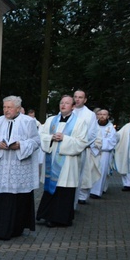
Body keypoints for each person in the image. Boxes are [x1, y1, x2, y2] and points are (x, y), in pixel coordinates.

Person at [0, 96, 41, 240]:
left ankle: (14, 229)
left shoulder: (28, 122)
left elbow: (36, 141)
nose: (6, 110)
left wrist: (20, 145)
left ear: (18, 108)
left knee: (15, 199)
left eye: (9, 107)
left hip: (18, 168)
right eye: (4, 107)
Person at [36, 95, 89, 227]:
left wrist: (65, 138)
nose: (63, 105)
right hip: (51, 159)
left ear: (73, 106)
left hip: (68, 164)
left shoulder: (79, 122)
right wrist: (51, 138)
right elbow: (40, 136)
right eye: (61, 103)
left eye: (67, 103)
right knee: (50, 189)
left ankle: (59, 218)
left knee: (63, 191)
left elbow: (82, 143)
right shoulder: (50, 120)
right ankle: (46, 215)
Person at [72, 90, 101, 205]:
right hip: (68, 148)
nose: (77, 99)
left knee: (83, 173)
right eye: (75, 97)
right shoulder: (68, 111)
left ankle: (82, 196)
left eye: (80, 97)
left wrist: (80, 143)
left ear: (85, 100)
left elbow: (93, 133)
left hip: (83, 148)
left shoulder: (90, 115)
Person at [89, 109, 118, 198]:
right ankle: (89, 189)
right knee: (91, 170)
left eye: (104, 114)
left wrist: (100, 144)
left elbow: (113, 141)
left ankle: (97, 192)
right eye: (100, 114)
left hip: (104, 153)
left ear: (108, 116)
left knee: (101, 171)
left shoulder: (111, 129)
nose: (102, 116)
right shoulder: (93, 126)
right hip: (92, 152)